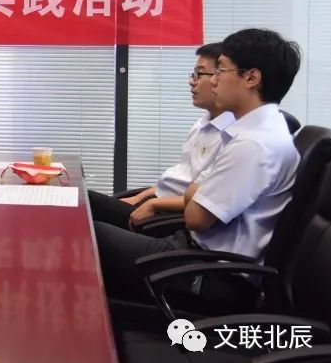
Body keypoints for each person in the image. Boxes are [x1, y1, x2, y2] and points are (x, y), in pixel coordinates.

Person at [94, 28, 301, 300]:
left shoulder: (254, 144)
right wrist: (196, 192)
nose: (213, 80)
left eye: (221, 71)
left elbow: (196, 217)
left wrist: (195, 192)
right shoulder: (251, 131)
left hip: (214, 273)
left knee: (89, 236)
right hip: (197, 253)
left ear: (251, 77)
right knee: (88, 230)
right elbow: (194, 191)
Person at [88, 43, 235, 230]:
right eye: (193, 74)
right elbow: (177, 181)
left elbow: (205, 199)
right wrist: (139, 197)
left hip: (169, 215)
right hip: (158, 200)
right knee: (84, 203)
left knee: (89, 209)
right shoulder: (202, 124)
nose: (192, 81)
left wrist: (152, 204)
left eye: (199, 74)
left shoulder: (231, 136)